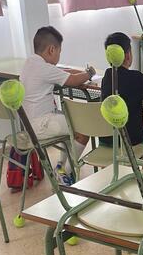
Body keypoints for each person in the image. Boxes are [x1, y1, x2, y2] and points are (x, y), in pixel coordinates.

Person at [20, 26, 95, 185]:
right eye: (59, 52)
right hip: (41, 124)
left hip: (30, 124)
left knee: (68, 123)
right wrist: (89, 74)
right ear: (51, 50)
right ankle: (64, 173)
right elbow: (73, 80)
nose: (59, 55)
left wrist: (78, 72)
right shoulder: (44, 69)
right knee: (84, 128)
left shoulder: (31, 63)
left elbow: (64, 72)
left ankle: (61, 167)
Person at [99, 32, 143, 161]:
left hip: (106, 138)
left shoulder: (107, 76)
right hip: (131, 139)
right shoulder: (137, 78)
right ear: (128, 55)